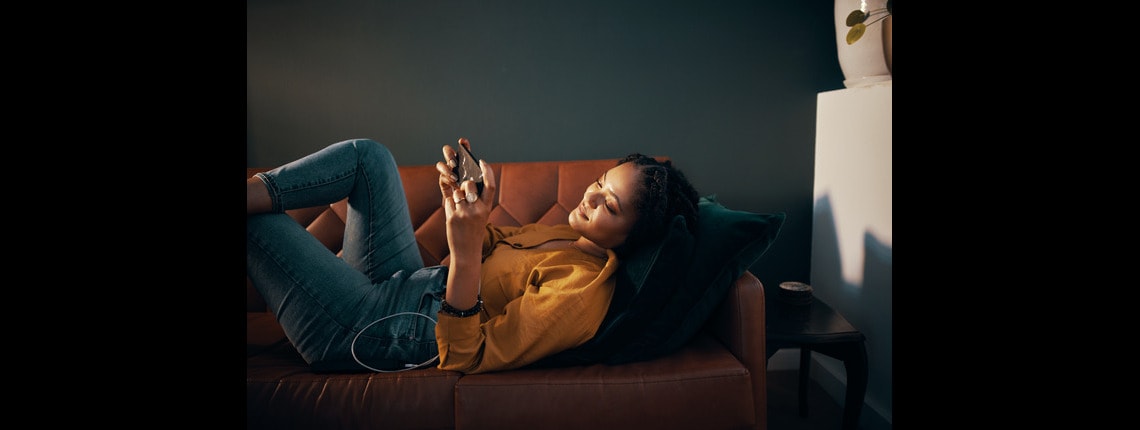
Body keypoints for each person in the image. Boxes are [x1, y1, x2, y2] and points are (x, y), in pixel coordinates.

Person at [246, 137, 699, 374]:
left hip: (375, 329)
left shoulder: (582, 293)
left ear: (634, 235)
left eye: (610, 206)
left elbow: (467, 355)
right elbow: (487, 243)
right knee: (370, 158)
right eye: (600, 182)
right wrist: (462, 205)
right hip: (407, 281)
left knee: (258, 223)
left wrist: (462, 253)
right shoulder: (565, 233)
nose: (591, 197)